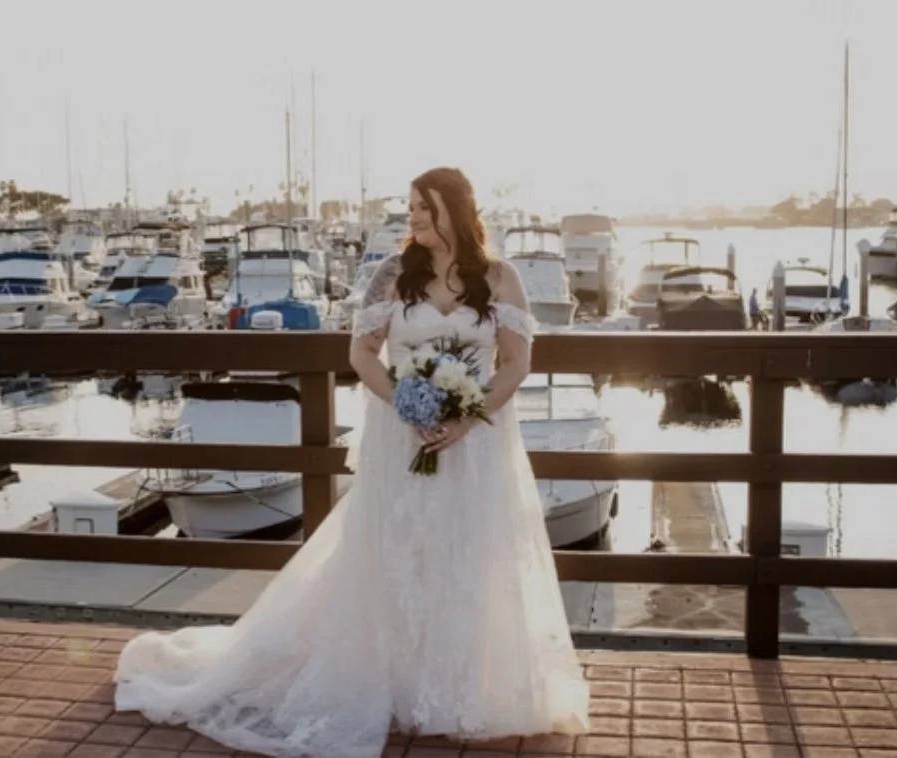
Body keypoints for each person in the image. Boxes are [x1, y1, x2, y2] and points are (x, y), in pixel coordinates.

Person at [114, 167, 591, 757]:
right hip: (402, 434)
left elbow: (515, 362)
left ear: (458, 211)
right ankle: (393, 679)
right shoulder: (392, 274)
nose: (413, 216)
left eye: (425, 207)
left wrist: (467, 418)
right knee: (397, 551)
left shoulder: (500, 277)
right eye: (411, 206)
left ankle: (456, 686)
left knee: (469, 551)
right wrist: (406, 403)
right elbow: (361, 352)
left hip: (476, 442)